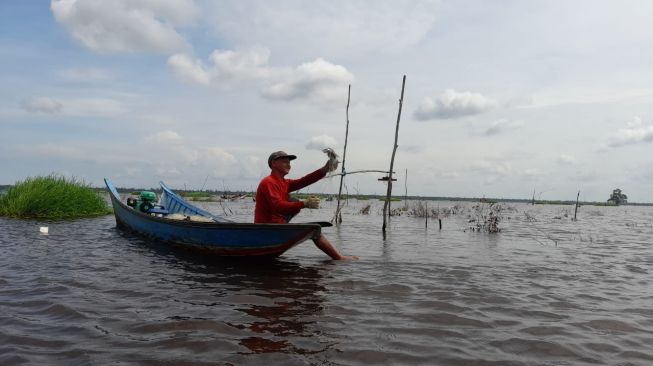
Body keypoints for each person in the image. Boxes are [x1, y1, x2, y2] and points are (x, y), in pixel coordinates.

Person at [255, 151, 358, 260]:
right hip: (267, 226)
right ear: (274, 163)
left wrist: (325, 169)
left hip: (276, 224)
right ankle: (339, 258)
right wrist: (304, 204)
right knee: (315, 230)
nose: (289, 165)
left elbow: (304, 181)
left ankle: (283, 225)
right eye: (285, 162)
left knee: (293, 200)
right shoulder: (268, 182)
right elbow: (278, 206)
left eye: (289, 162)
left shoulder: (284, 183)